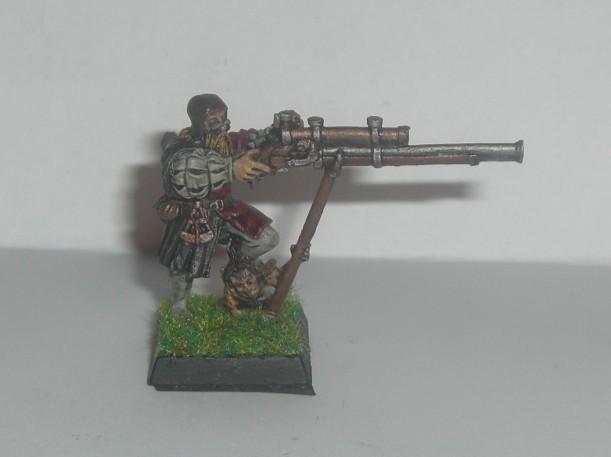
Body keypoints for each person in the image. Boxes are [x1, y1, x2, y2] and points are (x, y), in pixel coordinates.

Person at [156, 94, 278, 317]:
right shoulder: (180, 148)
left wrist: (275, 135)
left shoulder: (226, 141)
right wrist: (231, 169)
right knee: (183, 264)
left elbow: (251, 138)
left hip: (225, 209)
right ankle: (179, 306)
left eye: (224, 118)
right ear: (197, 120)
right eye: (214, 120)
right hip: (194, 214)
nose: (222, 124)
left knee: (267, 238)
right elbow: (186, 174)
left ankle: (239, 268)